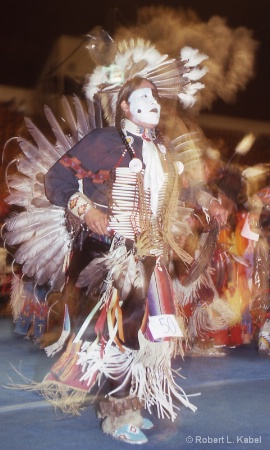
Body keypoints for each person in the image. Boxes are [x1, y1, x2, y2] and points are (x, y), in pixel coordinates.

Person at [4, 36, 225, 444]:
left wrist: (206, 198)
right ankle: (118, 412)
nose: (153, 102)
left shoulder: (159, 151)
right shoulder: (105, 141)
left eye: (156, 96)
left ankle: (128, 404)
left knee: (143, 334)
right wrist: (88, 209)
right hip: (108, 254)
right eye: (143, 96)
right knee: (121, 330)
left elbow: (178, 190)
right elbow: (57, 178)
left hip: (149, 253)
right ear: (125, 105)